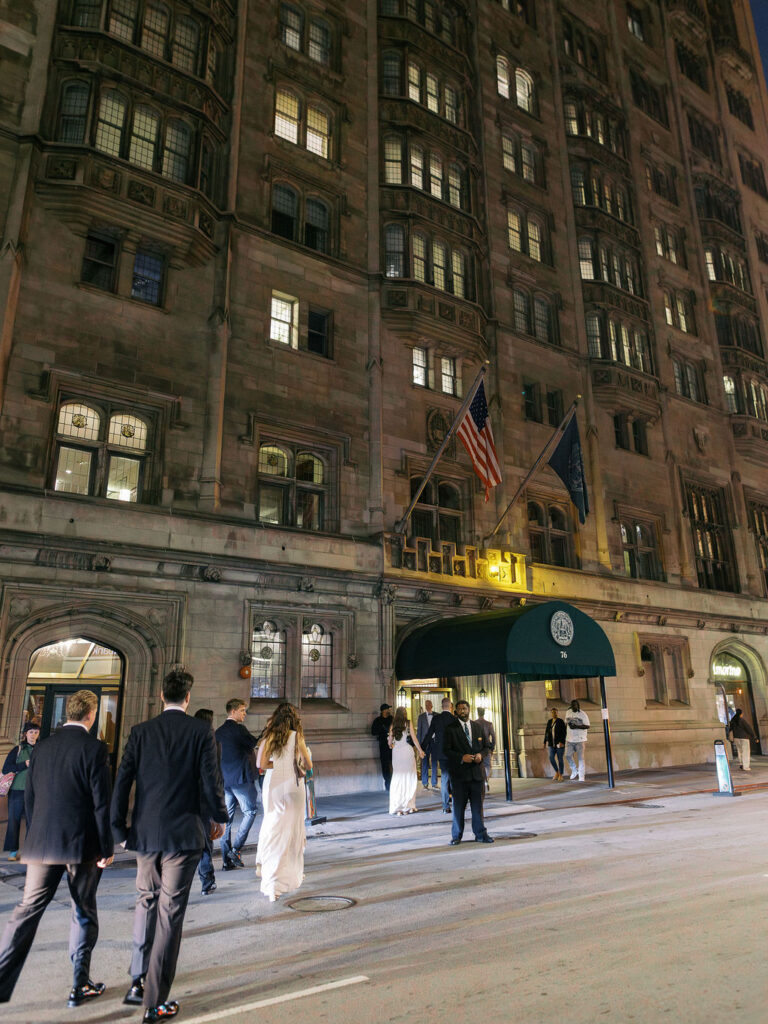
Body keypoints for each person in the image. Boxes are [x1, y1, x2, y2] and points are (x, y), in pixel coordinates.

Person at [112, 668, 227, 1024]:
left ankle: (137, 981)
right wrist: (219, 815)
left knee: (146, 902)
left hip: (146, 834)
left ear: (162, 696)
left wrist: (118, 827)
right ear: (187, 698)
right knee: (169, 912)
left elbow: (123, 779)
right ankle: (154, 1002)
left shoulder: (141, 732)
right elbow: (210, 780)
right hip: (183, 834)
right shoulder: (199, 731)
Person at [0, 690, 113, 1007]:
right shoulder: (94, 748)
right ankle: (80, 986)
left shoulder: (43, 746)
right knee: (83, 911)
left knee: (26, 911)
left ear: (68, 713)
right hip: (81, 844)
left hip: (41, 843)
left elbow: (32, 798)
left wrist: (35, 836)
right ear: (91, 714)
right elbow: (101, 804)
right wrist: (106, 846)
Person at [255, 703, 313, 902]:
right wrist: (292, 762)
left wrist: (277, 764)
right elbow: (309, 764)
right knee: (292, 832)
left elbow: (260, 765)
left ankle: (272, 882)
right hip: (294, 788)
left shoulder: (269, 736)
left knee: (274, 830)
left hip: (274, 787)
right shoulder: (297, 737)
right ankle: (291, 876)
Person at [215, 697, 260, 870]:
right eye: (242, 710)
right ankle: (236, 849)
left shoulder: (218, 732)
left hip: (225, 781)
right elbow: (254, 743)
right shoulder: (239, 729)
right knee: (250, 811)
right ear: (233, 711)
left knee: (227, 819)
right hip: (241, 779)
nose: (245, 714)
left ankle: (226, 860)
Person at [443, 700, 493, 845]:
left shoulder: (477, 727)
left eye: (464, 708)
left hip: (476, 774)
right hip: (459, 776)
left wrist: (480, 755)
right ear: (456, 711)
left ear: (469, 710)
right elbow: (446, 750)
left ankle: (481, 834)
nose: (462, 711)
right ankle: (456, 836)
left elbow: (486, 746)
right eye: (459, 709)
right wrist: (461, 758)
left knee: (478, 807)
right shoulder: (450, 728)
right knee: (458, 807)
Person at [2, 721, 40, 861]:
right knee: (14, 821)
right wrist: (24, 764)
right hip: (17, 790)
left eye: (36, 732)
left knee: (32, 821)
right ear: (25, 734)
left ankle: (29, 851)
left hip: (34, 791)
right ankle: (13, 851)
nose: (33, 735)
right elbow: (6, 769)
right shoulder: (17, 750)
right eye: (31, 732)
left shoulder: (41, 749)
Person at [193, 708, 219, 895]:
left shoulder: (186, 739)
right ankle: (207, 880)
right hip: (203, 797)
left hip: (185, 796)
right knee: (205, 841)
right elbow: (215, 776)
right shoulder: (213, 743)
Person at [420, 697, 455, 813]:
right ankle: (456, 804)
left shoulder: (436, 718)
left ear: (441, 706)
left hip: (442, 753)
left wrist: (422, 748)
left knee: (444, 780)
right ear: (450, 706)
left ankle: (446, 807)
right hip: (454, 754)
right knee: (455, 779)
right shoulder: (455, 719)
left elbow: (429, 735)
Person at [388, 707, 425, 815]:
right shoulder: (408, 723)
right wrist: (420, 751)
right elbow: (414, 738)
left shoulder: (392, 725)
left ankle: (398, 807)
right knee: (409, 779)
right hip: (407, 752)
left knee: (398, 778)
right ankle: (409, 806)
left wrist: (391, 745)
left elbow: (390, 743)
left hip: (397, 753)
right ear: (405, 714)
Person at [564, 699, 590, 782]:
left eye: (575, 705)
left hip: (580, 739)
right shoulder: (568, 712)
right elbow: (566, 723)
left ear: (578, 705)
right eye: (572, 705)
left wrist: (577, 726)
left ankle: (581, 777)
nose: (573, 707)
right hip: (569, 739)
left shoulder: (583, 714)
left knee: (580, 759)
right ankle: (574, 770)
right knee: (567, 755)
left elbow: (587, 726)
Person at [371, 703, 393, 790]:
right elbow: (373, 732)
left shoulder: (392, 719)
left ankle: (394, 782)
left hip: (392, 745)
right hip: (384, 745)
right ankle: (388, 783)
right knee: (385, 764)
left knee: (393, 763)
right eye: (387, 709)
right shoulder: (377, 720)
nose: (389, 711)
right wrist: (382, 729)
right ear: (383, 710)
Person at [416, 700, 437, 789]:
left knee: (434, 762)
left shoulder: (437, 715)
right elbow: (419, 731)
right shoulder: (421, 717)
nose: (427, 706)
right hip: (425, 742)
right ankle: (425, 783)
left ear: (432, 705)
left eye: (429, 704)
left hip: (435, 741)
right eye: (426, 705)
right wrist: (419, 746)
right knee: (424, 762)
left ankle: (434, 783)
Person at [473, 707, 495, 792]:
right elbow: (493, 736)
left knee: (478, 766)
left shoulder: (474, 723)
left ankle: (482, 781)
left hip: (477, 749)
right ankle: (486, 781)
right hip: (487, 748)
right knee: (488, 766)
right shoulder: (489, 724)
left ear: (478, 713)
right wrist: (492, 747)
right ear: (484, 713)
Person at [544, 707, 567, 781]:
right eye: (553, 712)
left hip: (559, 744)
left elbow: (564, 733)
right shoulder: (549, 721)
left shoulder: (560, 721)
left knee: (560, 759)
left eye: (555, 712)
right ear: (551, 713)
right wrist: (545, 742)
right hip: (551, 744)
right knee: (551, 758)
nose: (554, 713)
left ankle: (561, 774)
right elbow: (546, 732)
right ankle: (557, 772)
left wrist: (562, 742)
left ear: (557, 713)